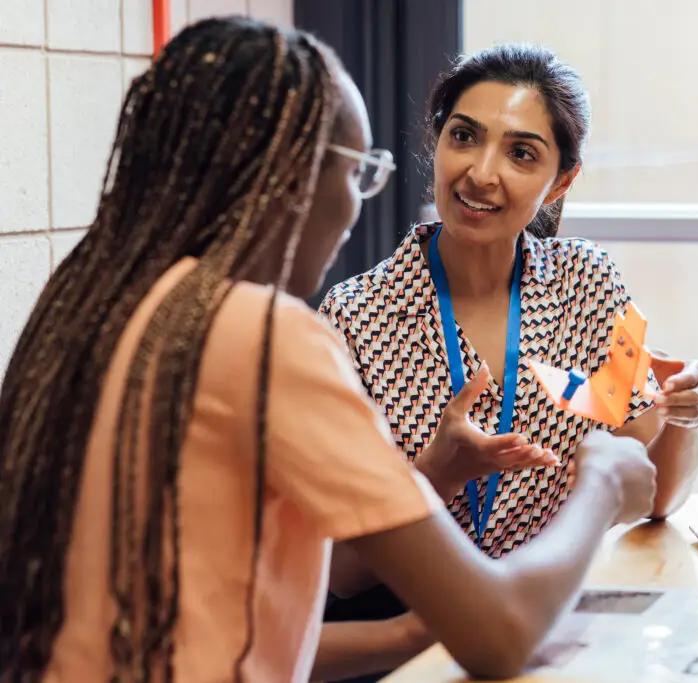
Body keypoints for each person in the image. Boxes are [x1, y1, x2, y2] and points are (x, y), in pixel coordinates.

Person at [0, 18, 657, 683]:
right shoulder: (271, 334)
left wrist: (414, 630)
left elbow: (221, 631)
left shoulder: (97, 302)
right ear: (291, 177)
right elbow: (501, 635)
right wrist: (602, 480)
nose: (354, 209)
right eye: (359, 172)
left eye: (522, 153)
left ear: (560, 178)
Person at [319, 44, 698, 601]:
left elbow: (654, 496)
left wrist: (683, 417)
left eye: (521, 154)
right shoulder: (355, 316)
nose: (481, 174)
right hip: (409, 626)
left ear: (560, 182)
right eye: (463, 137)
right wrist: (435, 473)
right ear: (436, 144)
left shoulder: (590, 284)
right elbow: (335, 574)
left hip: (556, 611)